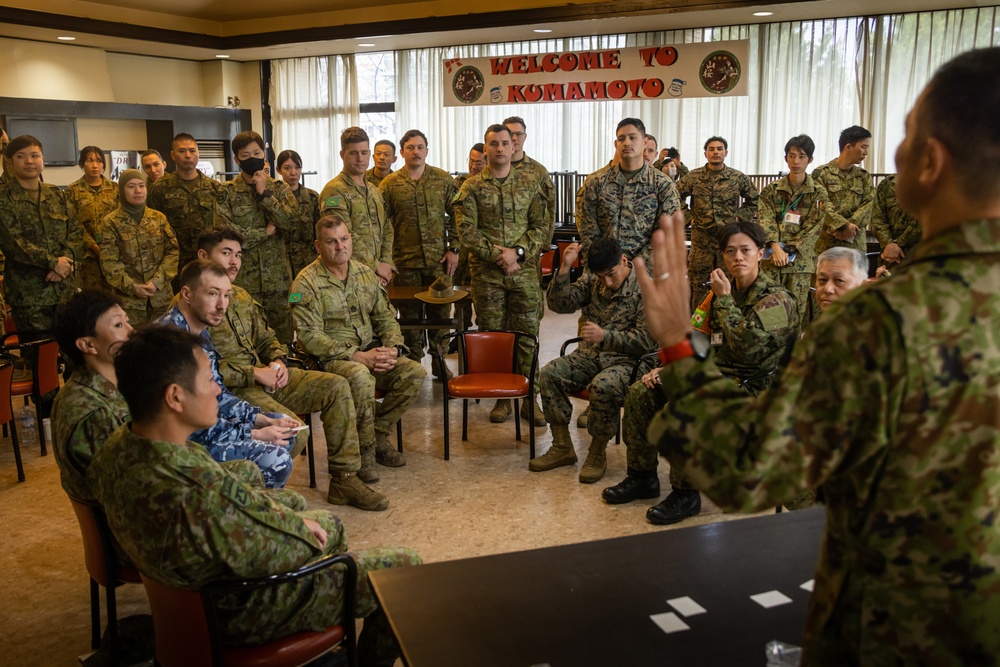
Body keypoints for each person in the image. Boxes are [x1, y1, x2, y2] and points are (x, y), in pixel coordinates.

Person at [635, 48, 1000, 665]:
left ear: (931, 161)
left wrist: (678, 341)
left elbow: (751, 469)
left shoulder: (881, 320)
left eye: (907, 133)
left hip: (898, 632)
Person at [87, 325, 422, 667]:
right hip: (238, 609)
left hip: (186, 598)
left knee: (307, 514)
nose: (218, 389)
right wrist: (297, 527)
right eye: (208, 381)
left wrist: (287, 517)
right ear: (174, 397)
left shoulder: (117, 449)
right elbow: (283, 549)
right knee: (402, 568)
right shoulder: (196, 487)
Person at [604, 220, 798, 526]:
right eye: (730, 251)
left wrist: (725, 299)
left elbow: (749, 349)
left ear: (760, 253)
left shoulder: (777, 300)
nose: (738, 258)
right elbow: (697, 336)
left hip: (754, 386)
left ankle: (686, 493)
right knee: (642, 392)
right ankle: (642, 476)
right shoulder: (716, 294)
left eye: (746, 250)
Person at [198, 226, 387, 511]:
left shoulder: (240, 296)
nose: (235, 261)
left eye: (238, 254)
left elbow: (266, 338)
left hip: (268, 377)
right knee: (293, 431)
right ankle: (260, 500)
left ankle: (344, 479)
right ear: (203, 256)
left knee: (336, 386)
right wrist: (253, 373)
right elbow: (202, 373)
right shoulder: (188, 309)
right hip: (234, 391)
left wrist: (277, 360)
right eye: (226, 253)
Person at [290, 214, 425, 480]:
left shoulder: (364, 273)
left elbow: (385, 317)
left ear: (351, 239)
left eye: (344, 239)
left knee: (414, 373)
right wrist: (357, 356)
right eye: (331, 242)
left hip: (370, 350)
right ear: (318, 246)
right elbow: (309, 336)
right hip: (329, 359)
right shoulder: (306, 282)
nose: (340, 247)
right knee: (361, 377)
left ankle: (377, 433)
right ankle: (364, 453)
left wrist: (393, 348)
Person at [159, 260, 300, 488]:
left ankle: (252, 506)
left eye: (226, 296)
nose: (221, 305)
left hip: (206, 429)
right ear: (186, 294)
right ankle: (249, 514)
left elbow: (218, 395)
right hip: (184, 445)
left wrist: (260, 419)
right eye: (213, 294)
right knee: (277, 458)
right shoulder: (171, 343)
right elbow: (193, 424)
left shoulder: (199, 332)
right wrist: (254, 434)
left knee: (280, 427)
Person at [531, 237, 654, 482]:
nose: (607, 283)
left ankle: (597, 452)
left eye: (611, 274)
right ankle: (562, 446)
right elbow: (559, 305)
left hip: (629, 362)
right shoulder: (593, 282)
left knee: (603, 385)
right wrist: (565, 268)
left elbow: (647, 341)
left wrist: (605, 336)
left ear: (624, 260)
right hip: (590, 356)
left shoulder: (646, 288)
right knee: (550, 374)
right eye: (600, 277)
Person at [454, 124, 550, 427]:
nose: (499, 148)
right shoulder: (470, 188)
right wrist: (499, 256)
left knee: (527, 337)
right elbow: (465, 230)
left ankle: (529, 399)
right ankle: (503, 399)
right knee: (494, 336)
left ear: (513, 147)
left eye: (505, 143)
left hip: (523, 274)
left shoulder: (529, 183)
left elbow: (541, 226)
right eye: (493, 144)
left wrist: (517, 253)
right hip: (487, 275)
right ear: (485, 149)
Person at [379, 129, 457, 380]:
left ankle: (439, 361)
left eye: (420, 147)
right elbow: (380, 224)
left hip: (438, 263)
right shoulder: (389, 185)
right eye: (410, 147)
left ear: (427, 150)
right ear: (401, 153)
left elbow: (459, 215)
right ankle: (412, 365)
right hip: (404, 263)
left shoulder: (443, 180)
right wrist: (386, 259)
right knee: (409, 317)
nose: (416, 151)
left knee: (441, 315)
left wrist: (454, 248)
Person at [214, 130, 298, 344]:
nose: (253, 159)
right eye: (245, 156)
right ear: (236, 160)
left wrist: (264, 195)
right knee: (246, 339)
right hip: (243, 281)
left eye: (257, 153)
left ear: (264, 155)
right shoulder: (227, 193)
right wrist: (266, 232)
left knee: (283, 341)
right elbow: (226, 235)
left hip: (278, 281)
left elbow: (290, 223)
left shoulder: (279, 189)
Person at [50, 290, 133, 500]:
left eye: (127, 321)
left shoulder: (113, 384)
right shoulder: (91, 412)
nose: (132, 331)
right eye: (118, 325)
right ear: (87, 345)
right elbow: (132, 489)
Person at [0, 135, 83, 336]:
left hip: (65, 290)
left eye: (34, 155)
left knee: (74, 353)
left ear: (42, 159)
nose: (29, 161)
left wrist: (64, 264)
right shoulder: (4, 199)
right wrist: (53, 262)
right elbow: (13, 243)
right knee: (39, 361)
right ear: (10, 163)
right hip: (29, 296)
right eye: (21, 156)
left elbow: (76, 232)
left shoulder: (56, 194)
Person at [576, 118, 679, 267]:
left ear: (644, 143)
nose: (627, 143)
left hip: (645, 276)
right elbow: (588, 231)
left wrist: (632, 271)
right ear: (616, 144)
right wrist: (605, 267)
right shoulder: (597, 183)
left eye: (632, 137)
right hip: (603, 272)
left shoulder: (662, 185)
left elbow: (665, 234)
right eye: (621, 139)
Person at [676, 135, 760, 309]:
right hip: (702, 242)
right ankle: (699, 328)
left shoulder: (737, 177)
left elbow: (755, 200)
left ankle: (728, 325)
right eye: (711, 149)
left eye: (719, 149)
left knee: (730, 282)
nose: (716, 152)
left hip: (728, 242)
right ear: (706, 154)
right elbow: (675, 196)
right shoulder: (694, 177)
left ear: (726, 153)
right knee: (699, 285)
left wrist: (738, 219)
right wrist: (689, 217)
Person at [757, 135, 831, 330]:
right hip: (772, 260)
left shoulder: (818, 192)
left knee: (795, 315)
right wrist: (774, 247)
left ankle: (792, 357)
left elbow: (814, 227)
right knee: (770, 312)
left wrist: (788, 250)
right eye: (792, 156)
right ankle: (771, 357)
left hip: (799, 263)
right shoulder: (771, 190)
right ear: (786, 158)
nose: (796, 161)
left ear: (810, 160)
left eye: (802, 156)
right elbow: (765, 219)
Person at [96, 169, 179, 325]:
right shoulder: (111, 222)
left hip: (161, 299)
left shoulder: (158, 218)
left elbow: (172, 252)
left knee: (166, 345)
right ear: (122, 190)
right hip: (129, 304)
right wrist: (132, 287)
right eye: (131, 186)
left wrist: (156, 282)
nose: (138, 191)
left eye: (141, 185)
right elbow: (109, 262)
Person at [318, 127, 395, 286]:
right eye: (353, 153)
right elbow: (341, 237)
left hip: (379, 276)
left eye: (364, 152)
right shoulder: (335, 191)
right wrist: (375, 266)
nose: (360, 158)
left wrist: (386, 262)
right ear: (342, 155)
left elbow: (387, 227)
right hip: (351, 276)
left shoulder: (373, 190)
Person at [147, 133, 222, 273]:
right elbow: (152, 228)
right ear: (172, 155)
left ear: (198, 153)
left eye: (192, 150)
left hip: (207, 260)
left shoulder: (215, 188)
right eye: (182, 151)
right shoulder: (159, 188)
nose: (188, 155)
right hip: (173, 263)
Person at [812, 125, 875, 254]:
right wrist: (842, 225)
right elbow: (819, 204)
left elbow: (869, 204)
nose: (866, 153)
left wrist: (850, 227)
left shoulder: (864, 176)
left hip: (855, 244)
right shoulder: (821, 173)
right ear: (848, 147)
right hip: (827, 243)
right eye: (863, 147)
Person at [65, 145, 117, 290]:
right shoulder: (73, 191)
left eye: (99, 161)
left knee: (114, 298)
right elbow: (73, 224)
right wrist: (94, 247)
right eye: (89, 161)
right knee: (91, 300)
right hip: (87, 257)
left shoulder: (115, 188)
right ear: (82, 164)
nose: (95, 165)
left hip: (114, 253)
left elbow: (121, 219)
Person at [451, 142, 487, 333]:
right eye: (471, 161)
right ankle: (460, 334)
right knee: (459, 296)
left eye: (479, 162)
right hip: (462, 252)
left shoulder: (490, 185)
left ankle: (482, 335)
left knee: (483, 298)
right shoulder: (459, 183)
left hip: (482, 252)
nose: (474, 166)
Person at [276, 149, 320, 277]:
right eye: (287, 168)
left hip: (307, 261)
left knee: (305, 295)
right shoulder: (273, 197)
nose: (293, 172)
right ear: (278, 170)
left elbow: (318, 230)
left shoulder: (312, 197)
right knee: (289, 296)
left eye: (297, 167)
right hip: (281, 261)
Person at [870, 174, 921, 269]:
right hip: (890, 256)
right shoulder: (887, 184)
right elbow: (877, 218)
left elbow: (922, 220)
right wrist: (888, 243)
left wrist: (897, 244)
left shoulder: (933, 184)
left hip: (921, 254)